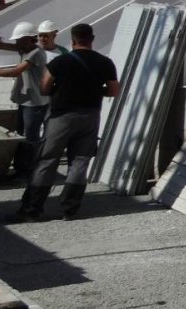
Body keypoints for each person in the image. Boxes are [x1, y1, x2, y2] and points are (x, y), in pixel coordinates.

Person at [15, 22, 120, 222]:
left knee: (47, 160)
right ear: (92, 39)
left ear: (72, 40)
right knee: (80, 161)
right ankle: (70, 209)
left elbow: (45, 88)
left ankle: (32, 209)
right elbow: (114, 91)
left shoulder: (60, 62)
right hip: (90, 116)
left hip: (61, 116)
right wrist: (97, 91)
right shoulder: (105, 62)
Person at [0, 22, 50, 177]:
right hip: (25, 100)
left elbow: (16, 71)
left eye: (19, 39)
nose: (16, 42)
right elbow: (2, 45)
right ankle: (20, 166)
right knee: (20, 133)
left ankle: (30, 169)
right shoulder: (25, 48)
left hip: (34, 102)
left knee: (30, 136)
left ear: (30, 39)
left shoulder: (36, 52)